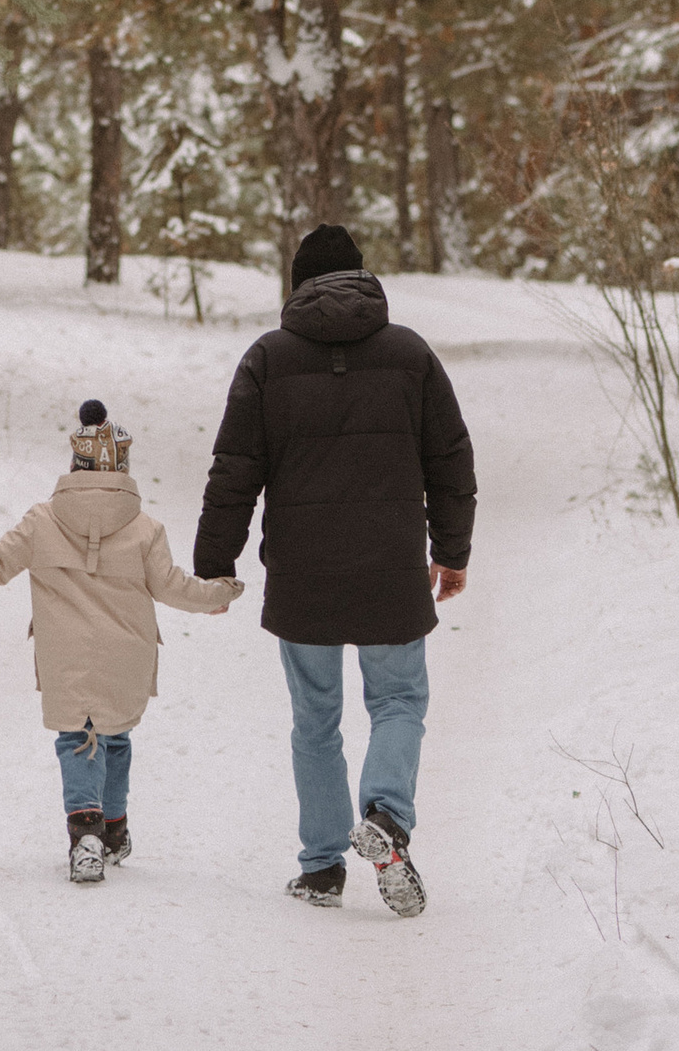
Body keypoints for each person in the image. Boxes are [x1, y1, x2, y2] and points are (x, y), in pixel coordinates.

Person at [193, 220, 475, 916]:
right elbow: (451, 460)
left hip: (303, 571)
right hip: (390, 567)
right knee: (399, 700)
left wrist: (214, 560)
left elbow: (235, 470)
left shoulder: (268, 358)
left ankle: (322, 868)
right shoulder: (410, 354)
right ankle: (384, 816)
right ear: (362, 278)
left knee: (315, 719)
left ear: (297, 287)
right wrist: (452, 551)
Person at [0, 395, 242, 881]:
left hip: (64, 655)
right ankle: (114, 828)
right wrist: (217, 594)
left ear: (74, 467)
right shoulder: (145, 528)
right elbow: (173, 585)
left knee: (78, 737)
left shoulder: (41, 521)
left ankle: (85, 830)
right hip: (127, 655)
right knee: (115, 737)